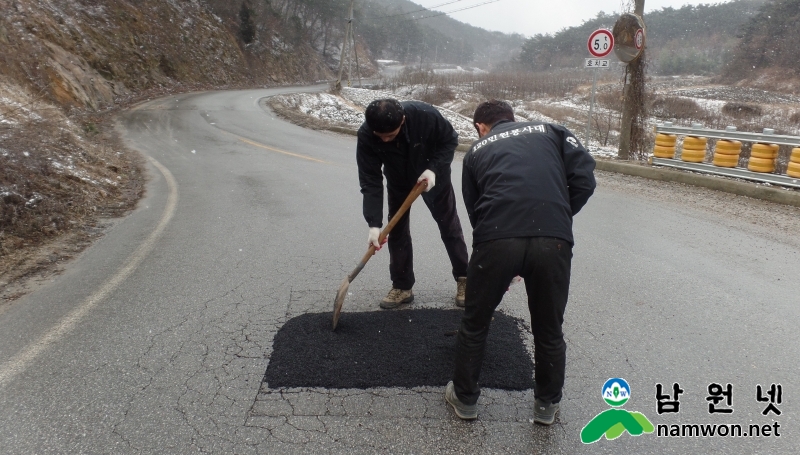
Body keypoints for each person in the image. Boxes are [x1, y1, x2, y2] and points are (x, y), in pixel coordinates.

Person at [444, 100, 596, 425]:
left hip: (497, 238)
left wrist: (499, 249)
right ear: (511, 118)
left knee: (475, 322)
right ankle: (546, 405)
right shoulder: (553, 131)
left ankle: (466, 398)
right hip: (553, 240)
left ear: (480, 126)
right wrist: (555, 217)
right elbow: (585, 179)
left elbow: (475, 210)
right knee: (549, 329)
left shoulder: (476, 151)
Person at [356, 99, 470, 308]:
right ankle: (402, 286)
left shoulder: (424, 115)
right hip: (398, 180)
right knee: (397, 231)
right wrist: (374, 224)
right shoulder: (366, 135)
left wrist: (434, 169)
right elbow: (370, 180)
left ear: (403, 121)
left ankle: (465, 279)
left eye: (391, 136)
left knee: (449, 225)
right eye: (381, 138)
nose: (386, 141)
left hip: (433, 177)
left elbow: (450, 141)